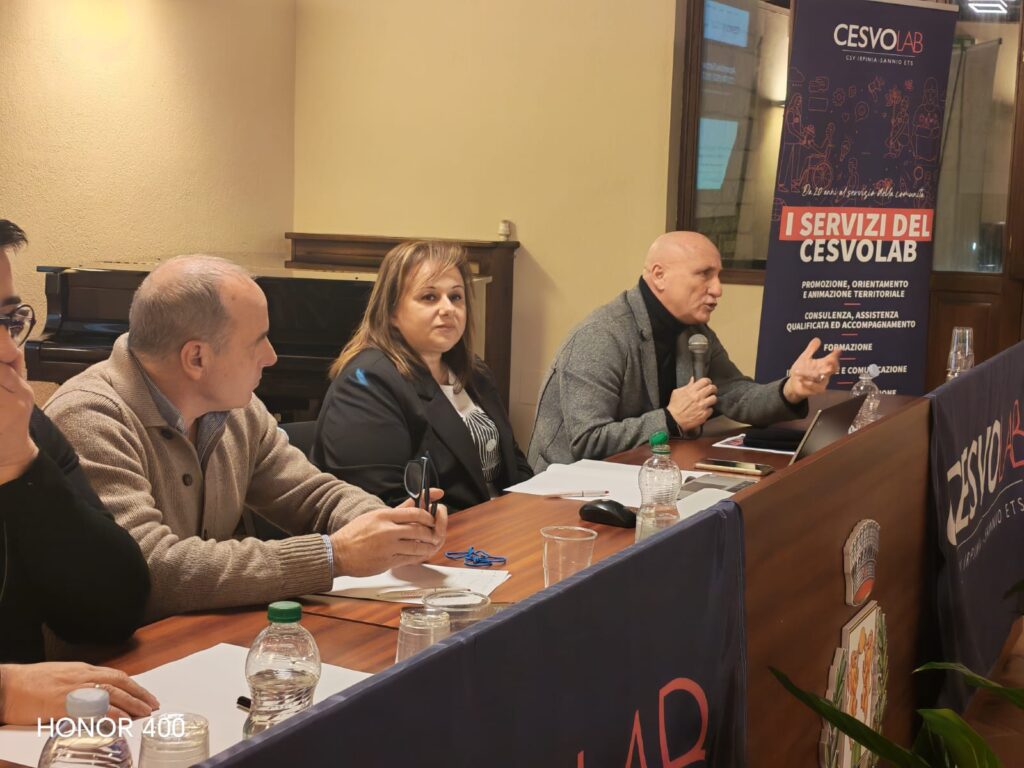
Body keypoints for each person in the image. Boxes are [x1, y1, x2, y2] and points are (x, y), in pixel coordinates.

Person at [45, 255, 448, 622]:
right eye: (259, 341)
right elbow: (154, 569)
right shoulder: (89, 418)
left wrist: (391, 528)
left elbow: (312, 495)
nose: (271, 356)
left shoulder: (237, 407)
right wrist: (333, 555)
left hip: (198, 636)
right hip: (111, 663)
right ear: (197, 358)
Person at [0, 220, 158, 724]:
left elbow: (111, 612)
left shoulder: (22, 428)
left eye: (8, 320)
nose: (10, 352)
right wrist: (4, 692)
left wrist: (19, 464)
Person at [527, 231, 841, 471]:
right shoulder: (600, 336)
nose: (718, 289)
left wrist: (790, 390)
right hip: (565, 493)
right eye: (704, 274)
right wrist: (670, 419)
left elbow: (736, 394)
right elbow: (587, 442)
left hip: (646, 475)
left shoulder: (694, 332)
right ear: (659, 275)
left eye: (718, 276)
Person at [311, 241, 532, 511]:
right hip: (435, 534)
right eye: (429, 297)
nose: (448, 308)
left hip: (502, 525)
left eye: (456, 297)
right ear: (391, 312)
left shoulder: (475, 372)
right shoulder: (365, 383)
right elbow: (385, 504)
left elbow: (514, 462)